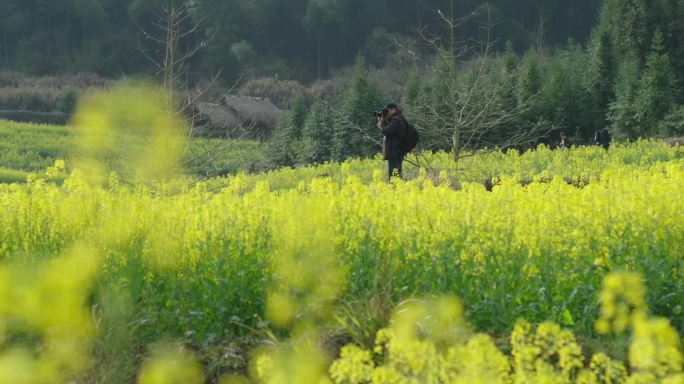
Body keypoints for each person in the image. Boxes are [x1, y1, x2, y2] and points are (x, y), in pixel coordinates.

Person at [377, 103, 408, 179]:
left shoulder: (396, 120)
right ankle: (397, 188)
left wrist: (381, 123)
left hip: (394, 151)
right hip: (397, 150)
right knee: (396, 175)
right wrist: (385, 121)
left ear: (393, 109)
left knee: (394, 176)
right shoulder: (399, 118)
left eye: (388, 111)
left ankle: (396, 188)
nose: (386, 113)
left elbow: (387, 131)